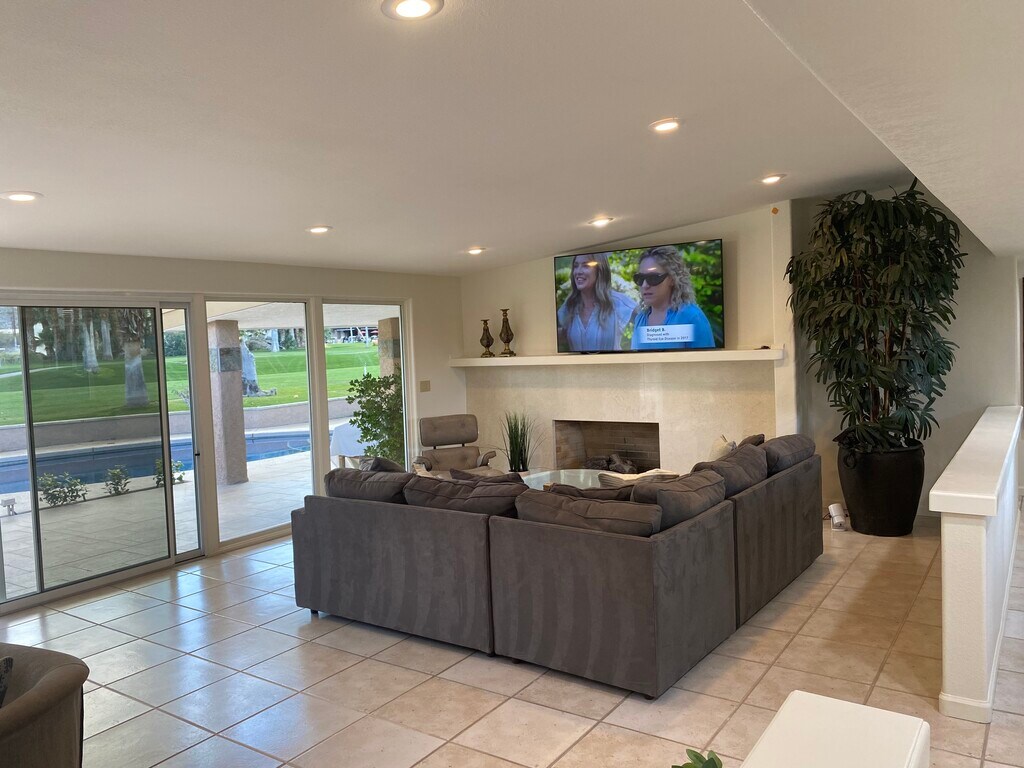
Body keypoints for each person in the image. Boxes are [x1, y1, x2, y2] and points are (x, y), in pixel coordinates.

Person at [629, 245, 715, 350]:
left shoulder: (691, 316)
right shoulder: (640, 319)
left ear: (672, 279)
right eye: (640, 278)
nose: (644, 285)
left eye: (653, 278)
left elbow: (707, 359)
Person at [556, 253, 636, 352]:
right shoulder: (569, 306)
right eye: (576, 266)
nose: (578, 272)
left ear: (600, 270)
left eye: (586, 265)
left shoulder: (618, 302)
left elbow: (646, 321)